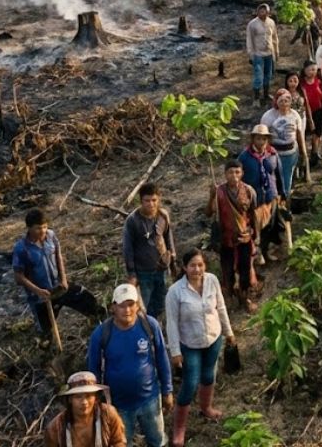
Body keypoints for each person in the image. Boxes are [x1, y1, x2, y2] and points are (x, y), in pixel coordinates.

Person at [87, 284, 173, 447]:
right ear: (113, 307)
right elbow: (93, 369)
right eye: (122, 306)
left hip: (150, 399)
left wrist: (167, 390)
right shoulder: (101, 333)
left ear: (138, 305)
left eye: (131, 304)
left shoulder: (149, 325)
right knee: (121, 443)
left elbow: (162, 357)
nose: (127, 310)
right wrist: (96, 401)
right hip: (118, 405)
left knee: (157, 441)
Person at [164, 249, 235, 446]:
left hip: (213, 338)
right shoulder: (175, 292)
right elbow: (171, 323)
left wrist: (229, 332)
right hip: (190, 344)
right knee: (190, 383)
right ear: (184, 267)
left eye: (200, 265)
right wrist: (175, 351)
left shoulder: (211, 280)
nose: (197, 269)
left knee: (208, 376)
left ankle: (207, 408)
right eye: (193, 265)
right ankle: (179, 429)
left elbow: (220, 307)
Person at [12, 208, 101, 334]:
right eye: (38, 228)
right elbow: (19, 277)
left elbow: (58, 255)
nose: (42, 231)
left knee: (86, 299)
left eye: (44, 227)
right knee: (46, 333)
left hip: (58, 287)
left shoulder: (51, 236)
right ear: (29, 228)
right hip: (40, 297)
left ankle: (99, 322)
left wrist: (63, 280)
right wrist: (38, 291)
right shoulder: (21, 248)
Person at [206, 160, 258, 312]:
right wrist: (211, 197)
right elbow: (209, 213)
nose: (234, 176)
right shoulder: (219, 192)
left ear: (242, 173)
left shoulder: (249, 191)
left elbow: (253, 215)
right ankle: (229, 297)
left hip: (244, 237)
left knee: (245, 268)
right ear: (225, 174)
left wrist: (253, 235)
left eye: (237, 172)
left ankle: (245, 296)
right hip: (226, 238)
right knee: (227, 269)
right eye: (230, 172)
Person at [122, 183, 177, 319]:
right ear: (141, 200)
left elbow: (168, 238)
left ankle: (160, 329)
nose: (151, 204)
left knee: (163, 302)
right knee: (145, 305)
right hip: (143, 271)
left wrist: (173, 262)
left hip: (163, 269)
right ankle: (149, 330)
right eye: (147, 201)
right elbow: (128, 248)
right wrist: (132, 274)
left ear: (159, 199)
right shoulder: (133, 221)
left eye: (154, 200)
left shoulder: (163, 216)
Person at [44, 371, 127, 447]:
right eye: (78, 397)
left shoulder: (108, 415)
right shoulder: (55, 428)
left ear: (96, 398)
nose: (84, 402)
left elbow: (119, 442)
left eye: (88, 396)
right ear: (70, 399)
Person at [259, 89, 307, 202]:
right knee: (272, 181)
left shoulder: (295, 115)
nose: (284, 103)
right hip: (273, 154)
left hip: (290, 153)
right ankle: (274, 205)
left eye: (287, 100)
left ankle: (285, 206)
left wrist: (303, 153)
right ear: (276, 101)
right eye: (281, 101)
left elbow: (299, 135)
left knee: (287, 181)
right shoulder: (268, 116)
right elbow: (262, 136)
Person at [239, 124, 279, 248]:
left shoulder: (272, 154)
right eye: (258, 138)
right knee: (255, 225)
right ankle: (256, 252)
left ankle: (266, 249)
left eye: (264, 139)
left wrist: (281, 193)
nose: (261, 142)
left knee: (270, 224)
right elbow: (238, 176)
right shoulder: (245, 157)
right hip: (254, 196)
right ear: (253, 139)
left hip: (270, 194)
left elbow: (279, 173)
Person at [246, 4, 279, 106]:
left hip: (269, 53)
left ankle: (266, 94)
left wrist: (276, 52)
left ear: (268, 12)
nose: (262, 13)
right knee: (258, 76)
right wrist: (250, 54)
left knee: (268, 75)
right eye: (260, 11)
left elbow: (274, 38)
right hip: (258, 54)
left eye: (264, 11)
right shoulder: (252, 24)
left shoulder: (271, 22)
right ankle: (256, 98)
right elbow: (249, 39)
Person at [299, 60, 322, 164]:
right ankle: (304, 154)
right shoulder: (301, 83)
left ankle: (315, 152)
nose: (313, 72)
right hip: (306, 113)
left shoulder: (318, 81)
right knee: (307, 133)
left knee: (318, 133)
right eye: (311, 69)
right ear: (305, 70)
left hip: (318, 110)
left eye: (315, 70)